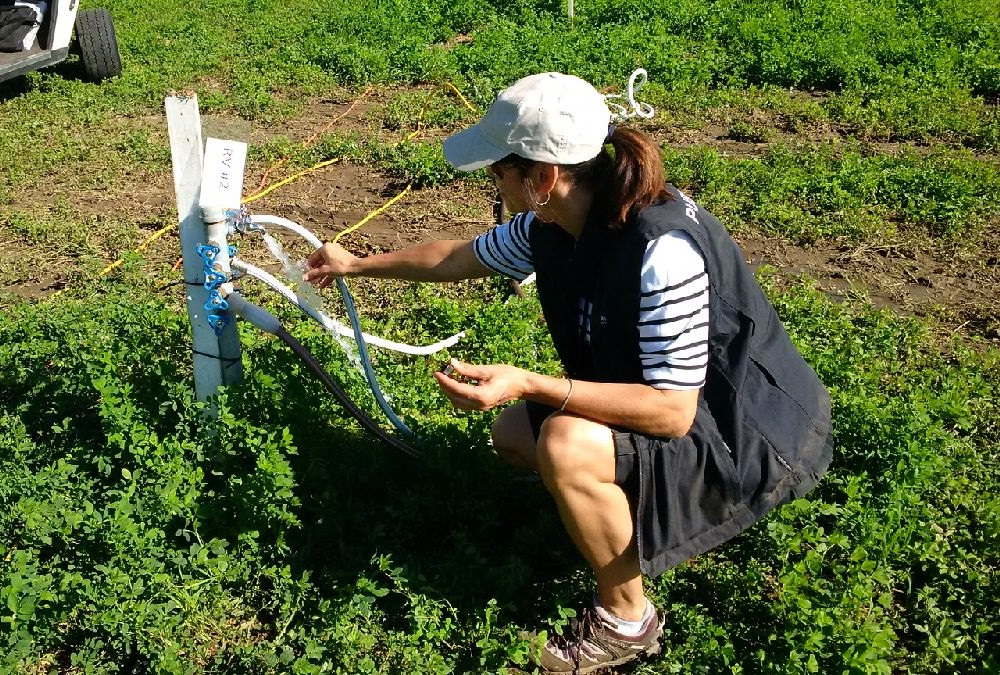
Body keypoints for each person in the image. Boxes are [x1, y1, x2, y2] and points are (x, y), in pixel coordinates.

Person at [303, 72, 833, 673]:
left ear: (543, 178)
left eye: (498, 171)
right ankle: (605, 516)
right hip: (686, 415)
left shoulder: (661, 251)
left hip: (747, 437)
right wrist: (358, 264)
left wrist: (530, 384)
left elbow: (672, 410)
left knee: (562, 441)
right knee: (514, 438)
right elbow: (459, 255)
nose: (493, 185)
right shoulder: (555, 222)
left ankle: (628, 622)